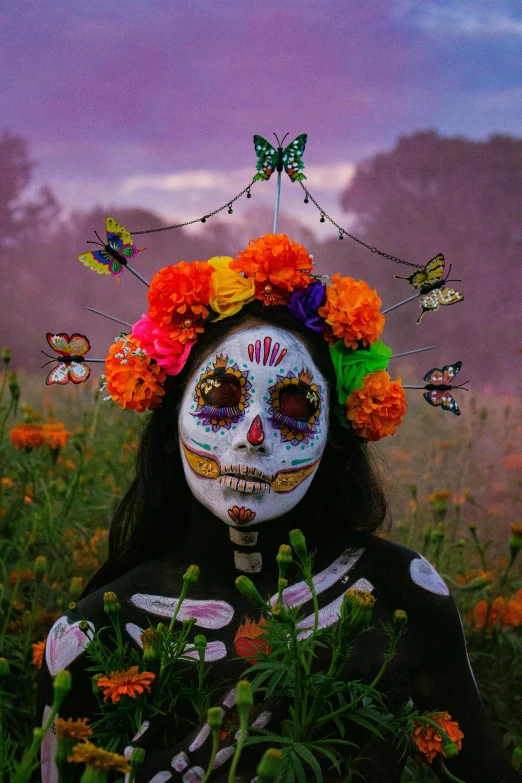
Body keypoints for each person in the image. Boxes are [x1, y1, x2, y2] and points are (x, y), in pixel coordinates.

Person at [37, 239, 519, 783]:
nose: (253, 437)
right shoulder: (94, 632)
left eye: (293, 408)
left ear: (335, 434)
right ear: (173, 418)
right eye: (221, 399)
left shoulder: (401, 593)